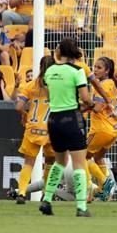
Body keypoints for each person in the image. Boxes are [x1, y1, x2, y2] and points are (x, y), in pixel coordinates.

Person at [39, 38, 94, 217]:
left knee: (59, 162)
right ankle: (81, 207)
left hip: (53, 119)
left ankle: (46, 200)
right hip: (71, 118)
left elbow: (49, 95)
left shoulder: (49, 72)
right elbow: (85, 98)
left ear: (59, 51)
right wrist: (91, 103)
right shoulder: (77, 72)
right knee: (79, 163)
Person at [11, 56, 55, 204]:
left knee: (29, 163)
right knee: (50, 162)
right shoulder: (57, 86)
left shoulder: (31, 85)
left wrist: (24, 115)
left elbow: (18, 106)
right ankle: (46, 194)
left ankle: (22, 193)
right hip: (51, 130)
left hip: (33, 128)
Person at [85, 57, 117, 201]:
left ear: (107, 71)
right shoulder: (114, 84)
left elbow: (97, 108)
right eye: (94, 67)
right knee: (98, 157)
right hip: (113, 129)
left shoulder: (101, 86)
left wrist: (81, 106)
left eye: (99, 67)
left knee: (83, 157)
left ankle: (104, 182)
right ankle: (103, 192)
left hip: (101, 128)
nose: (95, 69)